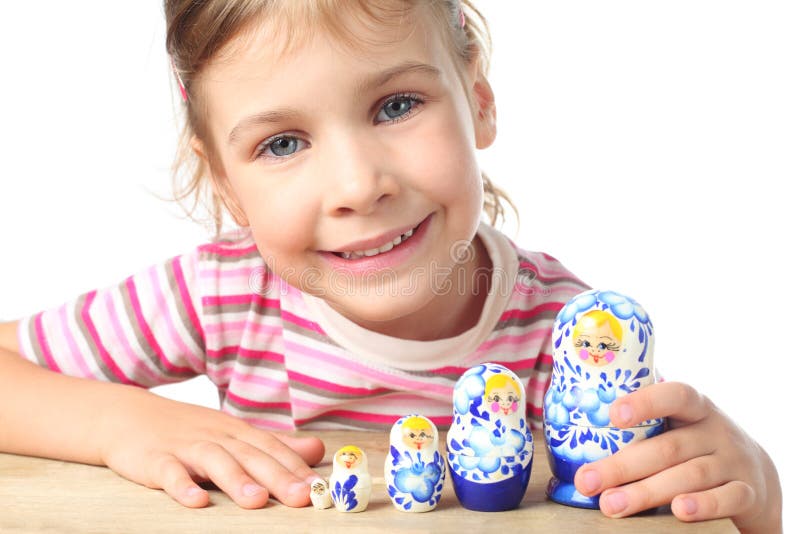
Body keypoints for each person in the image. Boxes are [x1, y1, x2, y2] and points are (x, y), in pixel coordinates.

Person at [0, 1, 781, 531]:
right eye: (282, 144)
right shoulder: (219, 295)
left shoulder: (569, 336)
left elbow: (679, 509)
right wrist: (121, 422)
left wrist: (755, 486)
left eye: (397, 105)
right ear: (224, 185)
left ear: (477, 96)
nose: (357, 184)